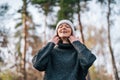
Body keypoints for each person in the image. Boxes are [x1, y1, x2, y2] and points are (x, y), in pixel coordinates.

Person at [32, 19, 96, 80]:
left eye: (67, 26)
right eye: (60, 27)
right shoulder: (50, 52)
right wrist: (50, 44)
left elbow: (88, 61)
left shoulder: (79, 51)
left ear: (72, 32)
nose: (63, 28)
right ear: (57, 33)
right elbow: (37, 64)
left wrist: (77, 43)